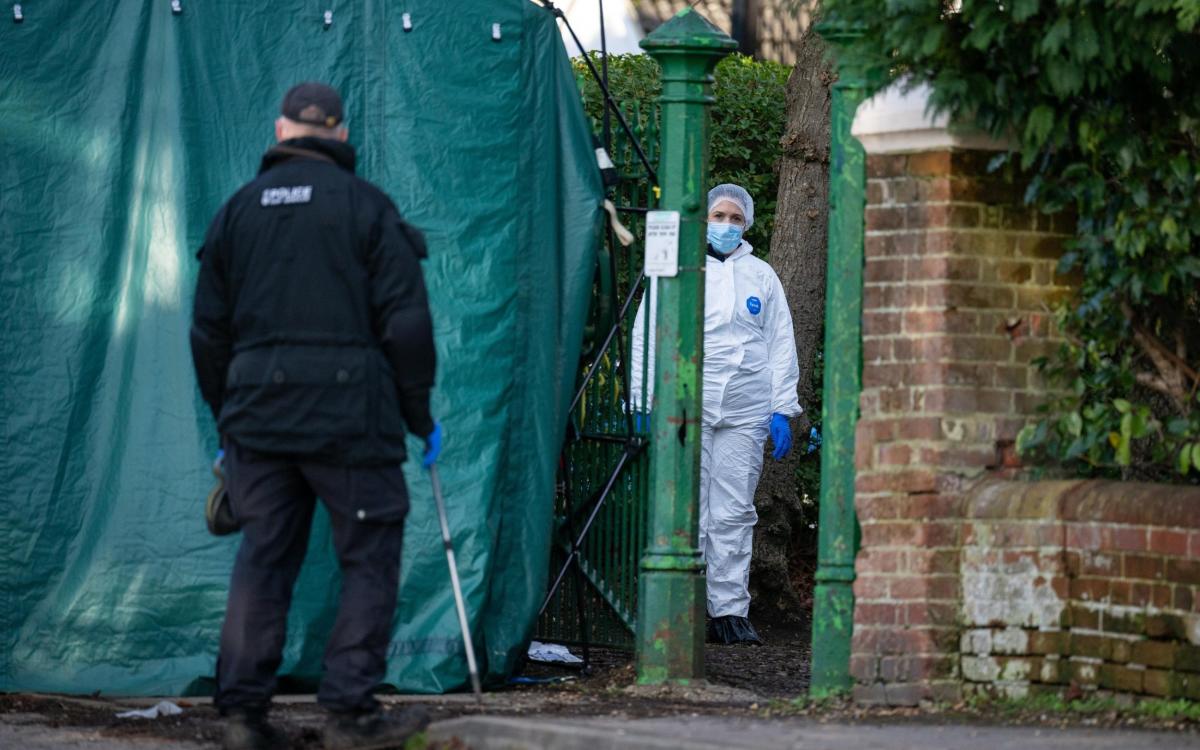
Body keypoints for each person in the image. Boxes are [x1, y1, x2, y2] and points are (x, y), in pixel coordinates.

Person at [190, 82, 440, 750]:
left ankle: (242, 717)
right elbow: (408, 325)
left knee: (262, 558)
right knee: (368, 556)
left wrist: (228, 421)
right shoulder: (367, 207)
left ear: (280, 131)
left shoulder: (235, 212)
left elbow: (206, 333)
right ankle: (350, 716)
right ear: (339, 134)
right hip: (350, 419)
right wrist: (420, 417)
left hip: (256, 419)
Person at [631, 184, 801, 645]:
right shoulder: (682, 269)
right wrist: (644, 400)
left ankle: (729, 611)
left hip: (747, 409)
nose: (725, 224)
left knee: (734, 510)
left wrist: (782, 408)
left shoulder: (762, 276)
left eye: (734, 218)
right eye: (718, 215)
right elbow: (650, 331)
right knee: (689, 503)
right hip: (691, 401)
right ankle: (682, 606)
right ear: (704, 218)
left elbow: (780, 343)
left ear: (746, 224)